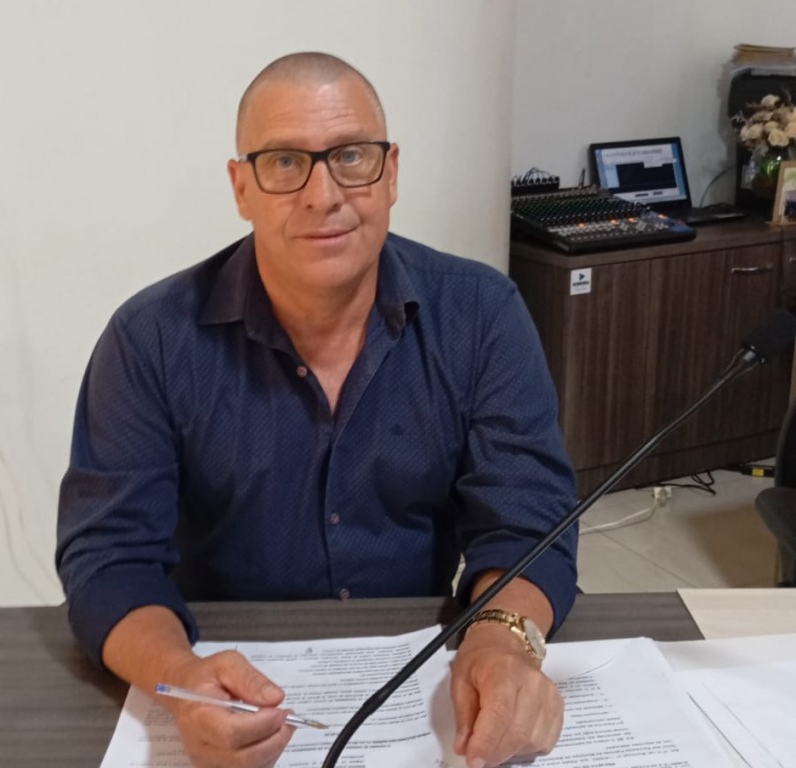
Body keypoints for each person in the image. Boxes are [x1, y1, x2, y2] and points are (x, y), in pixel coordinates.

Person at [57, 51, 578, 768]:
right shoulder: (150, 340)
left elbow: (528, 523)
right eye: (284, 163)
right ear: (241, 187)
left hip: (420, 685)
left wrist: (501, 643)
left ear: (391, 173)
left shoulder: (482, 315)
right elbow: (110, 558)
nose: (322, 195)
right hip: (227, 676)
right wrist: (181, 683)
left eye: (351, 157)